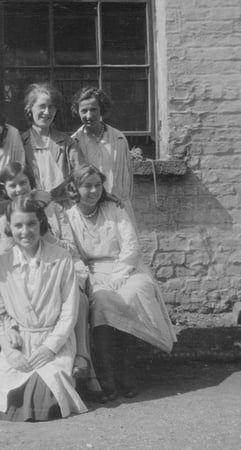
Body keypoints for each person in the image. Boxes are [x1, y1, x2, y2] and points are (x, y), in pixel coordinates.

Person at [63, 165, 176, 401]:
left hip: (127, 266)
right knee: (102, 300)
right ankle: (107, 376)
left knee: (133, 294)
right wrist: (86, 277)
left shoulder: (115, 208)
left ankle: (128, 373)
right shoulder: (69, 217)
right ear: (74, 188)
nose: (93, 191)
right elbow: (72, 254)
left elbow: (131, 245)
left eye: (97, 185)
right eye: (87, 186)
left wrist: (119, 274)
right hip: (93, 271)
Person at [0, 195, 87, 421]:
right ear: (9, 227)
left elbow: (69, 312)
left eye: (31, 224)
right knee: (9, 394)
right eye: (18, 225)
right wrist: (10, 350)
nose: (25, 231)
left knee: (44, 392)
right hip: (20, 344)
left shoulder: (61, 258)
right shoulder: (2, 265)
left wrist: (50, 348)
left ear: (41, 223)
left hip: (54, 340)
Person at [70, 87, 135, 222]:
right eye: (84, 111)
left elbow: (127, 178)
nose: (89, 116)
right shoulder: (74, 142)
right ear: (78, 112)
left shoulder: (118, 139)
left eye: (93, 109)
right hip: (88, 209)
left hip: (118, 207)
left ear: (101, 110)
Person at [22, 83, 85, 200]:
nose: (47, 112)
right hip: (30, 205)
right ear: (30, 108)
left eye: (51, 107)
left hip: (62, 205)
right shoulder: (20, 143)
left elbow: (83, 174)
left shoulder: (67, 143)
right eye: (42, 106)